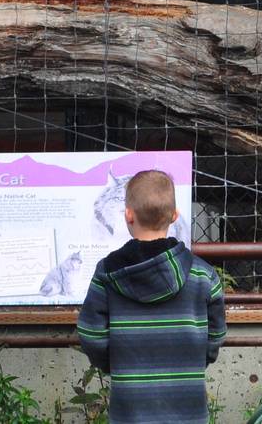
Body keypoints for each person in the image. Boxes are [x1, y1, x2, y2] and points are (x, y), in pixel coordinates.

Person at [76, 169, 226, 423]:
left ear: (128, 215)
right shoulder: (202, 274)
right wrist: (195, 362)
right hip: (187, 408)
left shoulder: (108, 273)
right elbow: (216, 334)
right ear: (175, 215)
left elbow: (91, 334)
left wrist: (115, 365)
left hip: (130, 408)